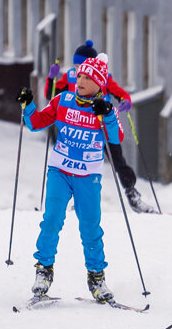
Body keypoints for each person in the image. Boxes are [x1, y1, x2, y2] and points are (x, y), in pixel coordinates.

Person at [15, 55, 124, 302]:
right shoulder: (63, 100)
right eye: (80, 76)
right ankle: (43, 271)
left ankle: (96, 278)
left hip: (88, 175)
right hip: (59, 170)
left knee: (90, 227)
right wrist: (28, 104)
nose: (81, 80)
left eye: (88, 78)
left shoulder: (105, 107)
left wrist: (106, 114)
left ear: (99, 84)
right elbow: (35, 123)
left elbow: (116, 138)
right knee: (52, 219)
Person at [46, 40, 156, 214]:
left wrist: (126, 101)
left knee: (118, 161)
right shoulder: (70, 77)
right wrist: (52, 79)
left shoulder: (104, 77)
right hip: (81, 128)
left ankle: (132, 195)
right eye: (75, 65)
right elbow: (52, 96)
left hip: (103, 128)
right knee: (76, 162)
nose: (78, 70)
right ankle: (76, 199)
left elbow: (120, 93)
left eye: (81, 65)